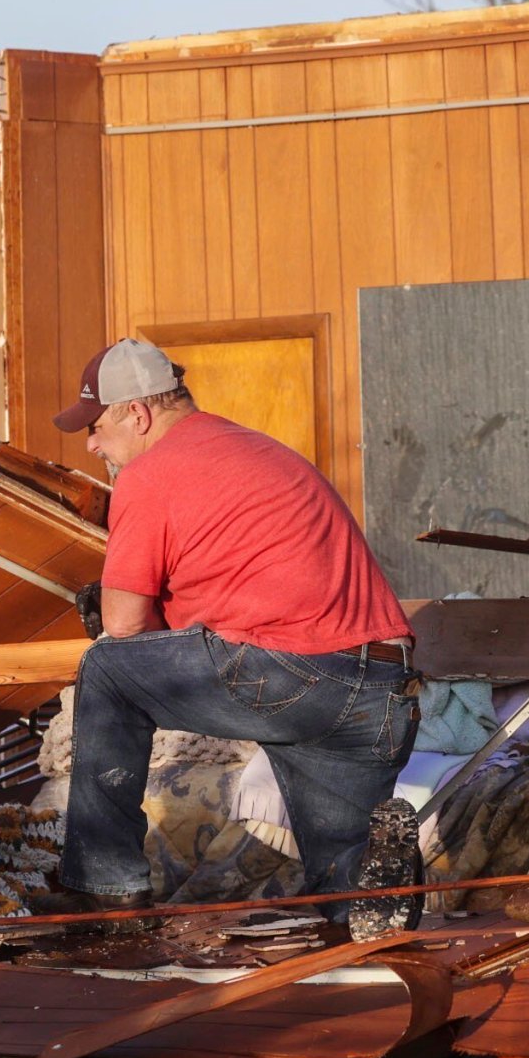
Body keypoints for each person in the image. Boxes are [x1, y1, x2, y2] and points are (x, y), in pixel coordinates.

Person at [45, 339, 423, 935]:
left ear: (136, 414)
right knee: (346, 888)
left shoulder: (152, 472)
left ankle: (105, 886)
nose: (91, 444)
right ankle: (376, 905)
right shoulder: (261, 451)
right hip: (378, 687)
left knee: (108, 669)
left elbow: (122, 627)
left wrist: (135, 626)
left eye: (94, 426)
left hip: (291, 675)